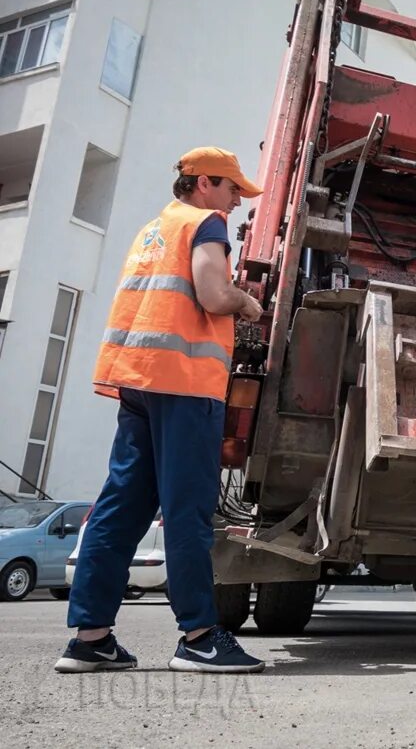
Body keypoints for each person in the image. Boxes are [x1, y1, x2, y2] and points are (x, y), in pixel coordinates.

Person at [55, 147, 269, 674]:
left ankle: (90, 638)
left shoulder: (153, 230)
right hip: (186, 384)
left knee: (121, 506)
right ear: (202, 184)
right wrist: (246, 302)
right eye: (231, 188)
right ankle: (199, 636)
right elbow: (212, 294)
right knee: (187, 508)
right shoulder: (207, 223)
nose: (237, 199)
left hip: (140, 381)